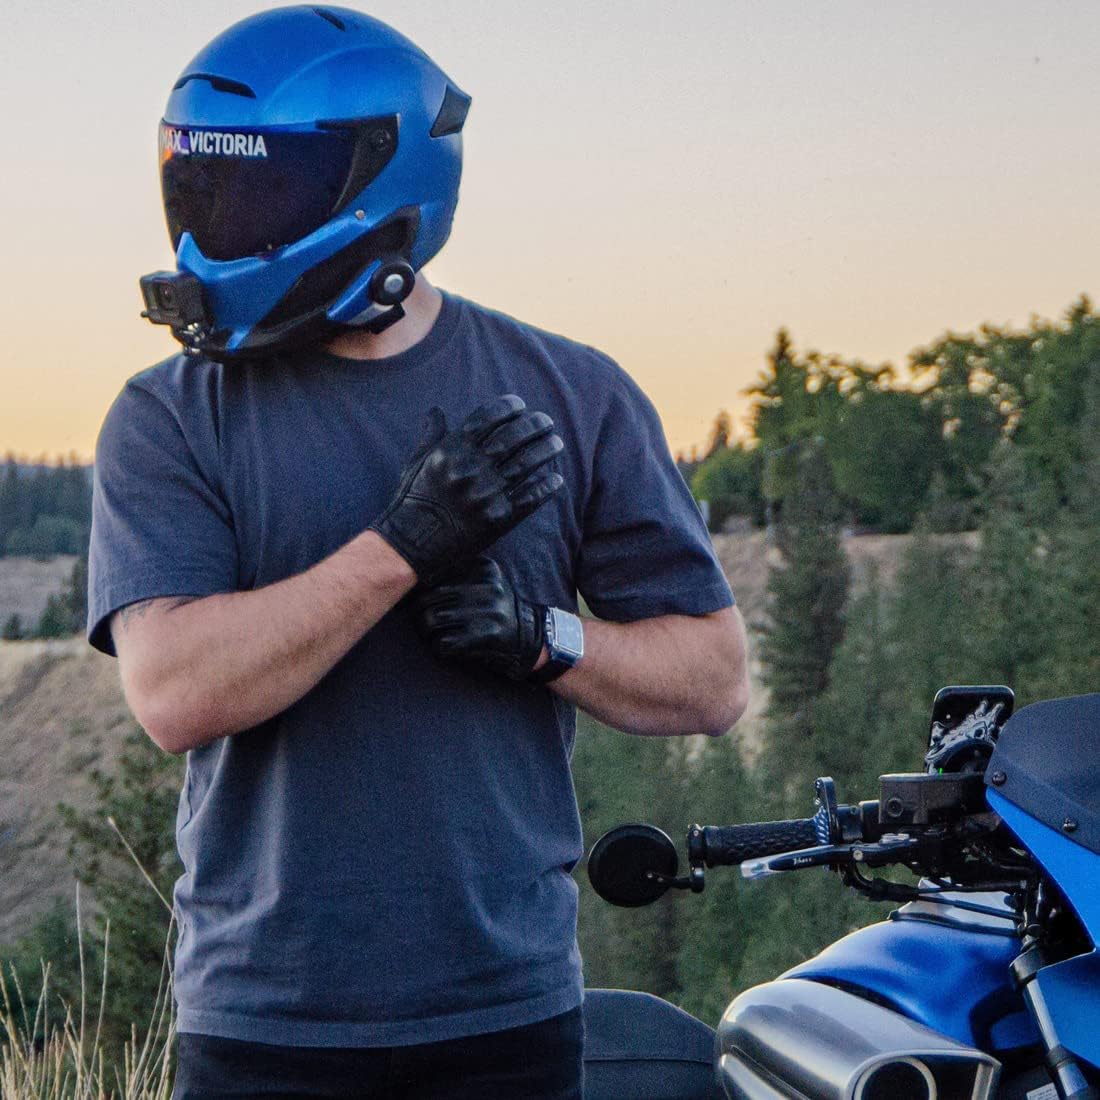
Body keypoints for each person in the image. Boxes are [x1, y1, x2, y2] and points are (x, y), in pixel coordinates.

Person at [87, 6, 750, 1098]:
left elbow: (713, 680)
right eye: (202, 190)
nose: (218, 228)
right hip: (264, 1019)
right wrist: (402, 547)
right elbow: (174, 693)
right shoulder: (168, 414)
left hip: (504, 1010)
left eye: (258, 190)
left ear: (384, 179)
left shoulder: (573, 390)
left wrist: (542, 639)